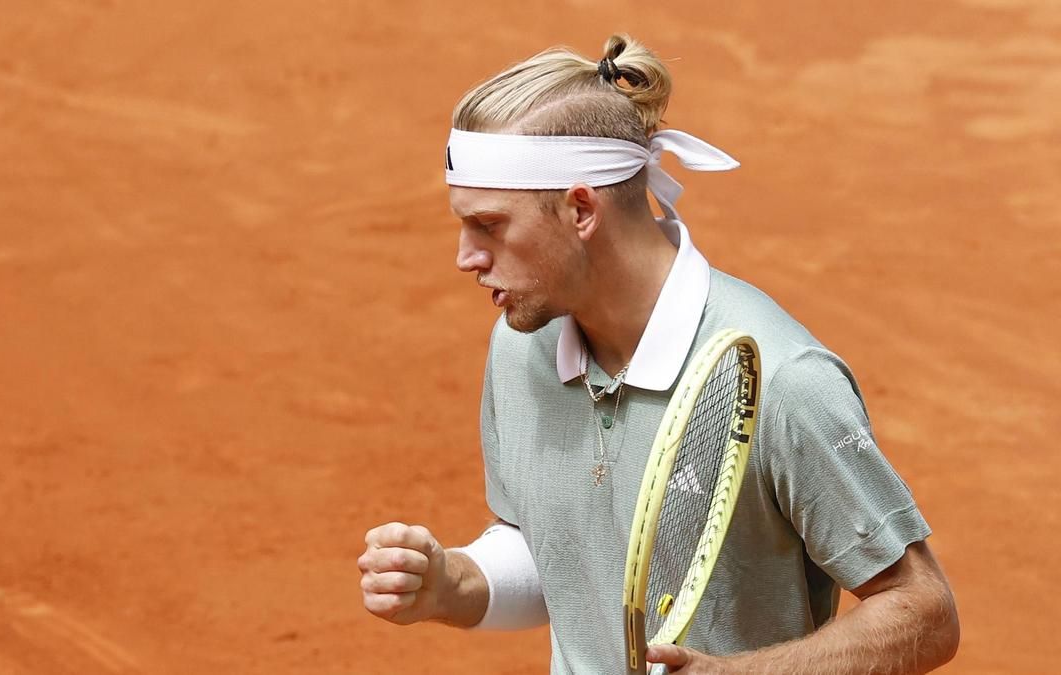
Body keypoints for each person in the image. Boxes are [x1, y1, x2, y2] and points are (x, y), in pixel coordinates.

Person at [357, 34, 960, 674]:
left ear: (580, 209)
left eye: (489, 225)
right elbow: (562, 553)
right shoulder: (522, 345)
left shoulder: (781, 382)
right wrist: (453, 583)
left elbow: (923, 611)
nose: (466, 258)